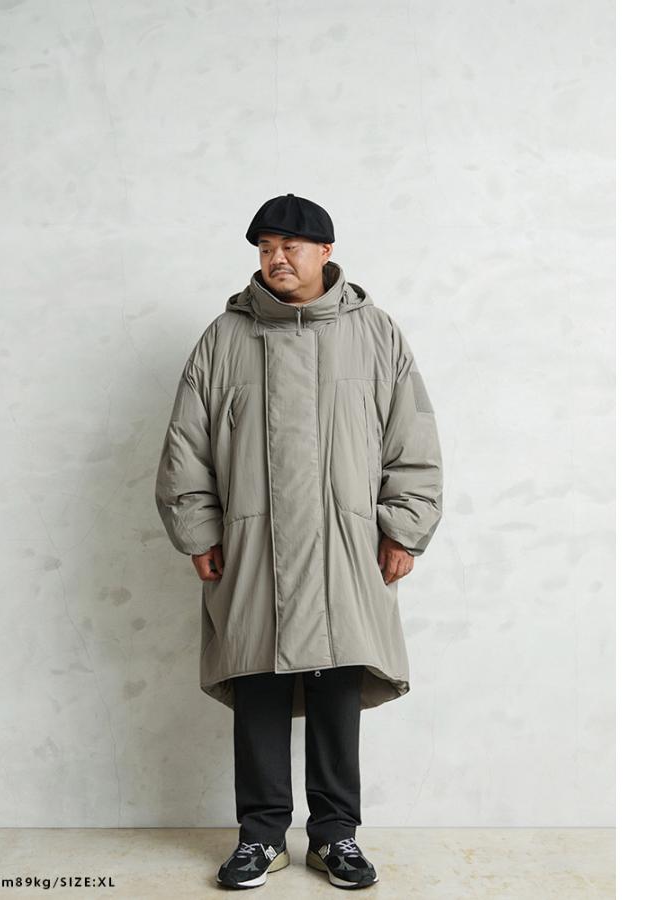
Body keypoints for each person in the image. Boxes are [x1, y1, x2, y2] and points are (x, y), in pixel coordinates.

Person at [154, 193, 444, 890]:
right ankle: (260, 837)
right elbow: (186, 445)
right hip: (252, 546)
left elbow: (412, 440)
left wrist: (404, 528)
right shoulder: (225, 338)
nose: (276, 259)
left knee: (337, 686)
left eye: (290, 246)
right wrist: (197, 530)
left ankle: (335, 836)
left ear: (326, 251)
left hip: (347, 546)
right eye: (265, 248)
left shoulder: (375, 333)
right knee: (258, 683)